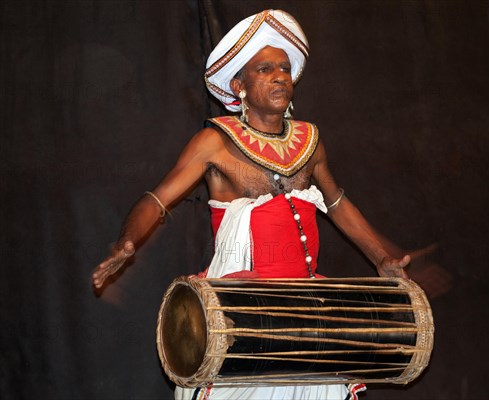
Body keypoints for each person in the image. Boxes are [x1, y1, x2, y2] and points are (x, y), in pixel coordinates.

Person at [92, 9, 414, 400]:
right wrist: (127, 243)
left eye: (283, 67)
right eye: (264, 69)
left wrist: (381, 258)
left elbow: (338, 203)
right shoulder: (214, 143)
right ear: (238, 85)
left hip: (306, 308)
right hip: (243, 308)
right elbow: (157, 198)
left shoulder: (310, 141)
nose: (280, 75)